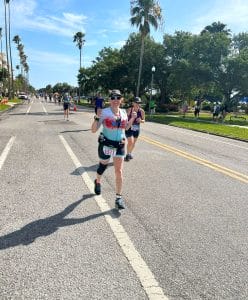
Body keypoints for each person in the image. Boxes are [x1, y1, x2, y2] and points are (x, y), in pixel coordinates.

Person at [91, 90, 137, 210]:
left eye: (118, 97)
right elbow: (93, 130)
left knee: (119, 171)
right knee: (103, 167)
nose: (115, 99)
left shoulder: (123, 112)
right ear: (109, 99)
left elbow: (126, 127)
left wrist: (132, 118)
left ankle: (118, 198)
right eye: (113, 97)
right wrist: (97, 117)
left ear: (121, 100)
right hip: (106, 144)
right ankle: (97, 181)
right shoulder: (105, 112)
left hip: (119, 145)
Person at [125, 97, 145, 161]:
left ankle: (130, 153)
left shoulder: (141, 111)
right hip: (129, 127)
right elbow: (125, 119)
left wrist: (141, 120)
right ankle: (127, 154)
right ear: (133, 103)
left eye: (139, 103)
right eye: (136, 102)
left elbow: (144, 120)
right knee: (131, 141)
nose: (137, 104)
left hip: (137, 128)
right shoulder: (129, 110)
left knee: (134, 143)